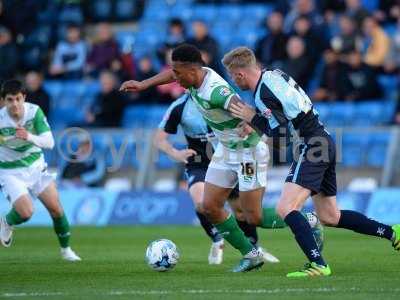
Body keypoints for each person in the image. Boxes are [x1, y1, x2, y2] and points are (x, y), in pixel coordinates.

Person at [120, 43, 316, 272]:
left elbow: (241, 105)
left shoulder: (215, 91)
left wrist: (252, 125)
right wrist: (143, 84)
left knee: (253, 216)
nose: (175, 78)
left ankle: (308, 221)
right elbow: (171, 74)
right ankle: (251, 255)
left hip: (248, 152)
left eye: (177, 73)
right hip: (225, 150)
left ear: (191, 71)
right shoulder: (193, 76)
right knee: (209, 206)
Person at [221, 46, 400, 277]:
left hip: (312, 146)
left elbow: (281, 139)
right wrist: (256, 121)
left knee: (286, 208)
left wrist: (252, 117)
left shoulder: (262, 94)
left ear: (239, 74)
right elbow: (279, 118)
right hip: (324, 140)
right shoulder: (275, 74)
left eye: (233, 77)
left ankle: (318, 264)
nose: (234, 82)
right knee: (329, 216)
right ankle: (392, 232)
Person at [155, 93, 282, 265]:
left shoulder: (218, 97)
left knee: (242, 211)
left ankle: (254, 247)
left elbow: (247, 120)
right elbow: (159, 138)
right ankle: (217, 239)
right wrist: (175, 153)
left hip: (229, 161)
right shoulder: (179, 107)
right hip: (199, 163)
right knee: (202, 204)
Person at [0, 79, 81, 261]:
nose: (15, 104)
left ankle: (66, 250)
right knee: (26, 212)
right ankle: (7, 222)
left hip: (36, 167)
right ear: (3, 101)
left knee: (56, 209)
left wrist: (28, 136)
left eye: (18, 99)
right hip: (10, 172)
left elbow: (50, 142)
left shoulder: (34, 112)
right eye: (10, 100)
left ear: (24, 98)